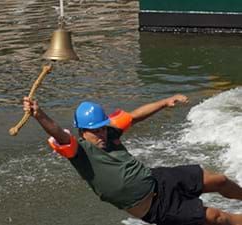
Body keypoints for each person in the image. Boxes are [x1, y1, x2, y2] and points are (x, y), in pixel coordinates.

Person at [23, 94, 242, 225]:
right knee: (216, 218)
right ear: (82, 133)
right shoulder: (79, 151)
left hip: (158, 180)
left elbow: (135, 116)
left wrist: (165, 102)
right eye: (94, 131)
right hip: (153, 207)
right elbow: (59, 134)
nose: (101, 134)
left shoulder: (109, 132)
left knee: (219, 180)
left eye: (102, 129)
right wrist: (39, 114)